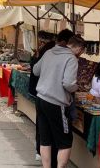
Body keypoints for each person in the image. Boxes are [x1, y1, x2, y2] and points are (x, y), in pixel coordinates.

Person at [33, 32, 84, 168]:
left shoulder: (49, 52)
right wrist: (76, 87)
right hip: (56, 103)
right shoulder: (71, 59)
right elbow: (68, 83)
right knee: (65, 141)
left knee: (45, 139)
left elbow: (35, 70)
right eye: (81, 52)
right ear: (79, 49)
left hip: (41, 99)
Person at [29, 31, 58, 162]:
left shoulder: (43, 53)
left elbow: (35, 69)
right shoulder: (48, 54)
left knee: (41, 124)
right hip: (47, 95)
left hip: (40, 93)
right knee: (46, 127)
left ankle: (39, 150)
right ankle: (43, 151)